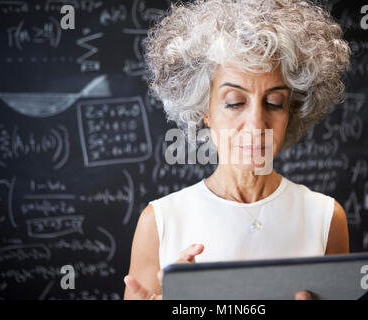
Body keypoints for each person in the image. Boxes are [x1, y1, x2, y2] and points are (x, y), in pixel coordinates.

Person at [124, 0, 351, 300]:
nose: (257, 124)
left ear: (292, 111)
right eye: (234, 102)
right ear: (205, 110)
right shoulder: (159, 222)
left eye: (273, 103)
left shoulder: (326, 219)